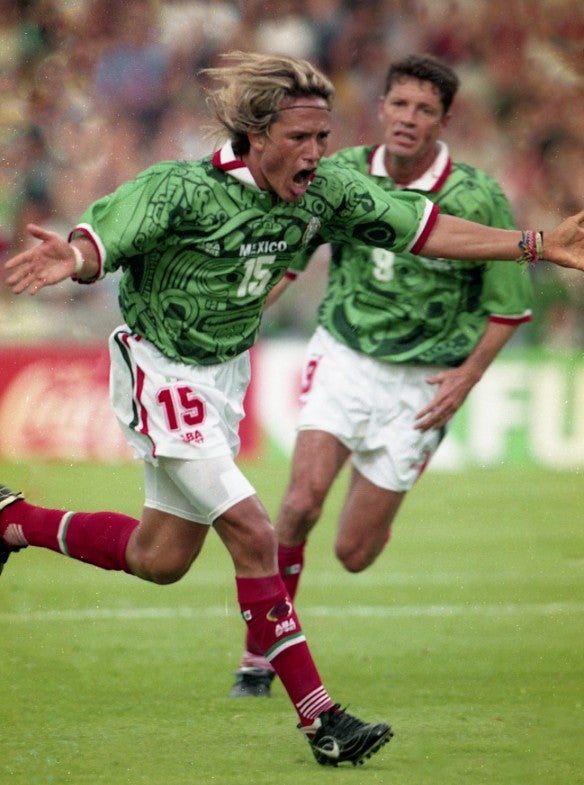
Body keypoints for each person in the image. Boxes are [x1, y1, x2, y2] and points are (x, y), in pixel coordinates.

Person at [1, 51, 584, 766]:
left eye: (323, 138)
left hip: (222, 377)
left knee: (160, 558)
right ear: (254, 135)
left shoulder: (326, 190)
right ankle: (322, 719)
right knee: (254, 528)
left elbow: (422, 228)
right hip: (159, 368)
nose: (316, 154)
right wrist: (77, 257)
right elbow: (103, 238)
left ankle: (12, 520)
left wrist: (535, 245)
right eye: (300, 139)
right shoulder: (180, 190)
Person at [228, 52, 542, 698]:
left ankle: (387, 492)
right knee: (298, 502)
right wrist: (249, 306)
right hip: (345, 354)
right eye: (399, 104)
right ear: (380, 108)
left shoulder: (476, 194)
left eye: (425, 109)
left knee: (354, 551)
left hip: (425, 382)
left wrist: (468, 377)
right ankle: (262, 657)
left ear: (445, 119)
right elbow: (292, 245)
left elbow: (509, 305)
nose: (408, 118)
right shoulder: (337, 170)